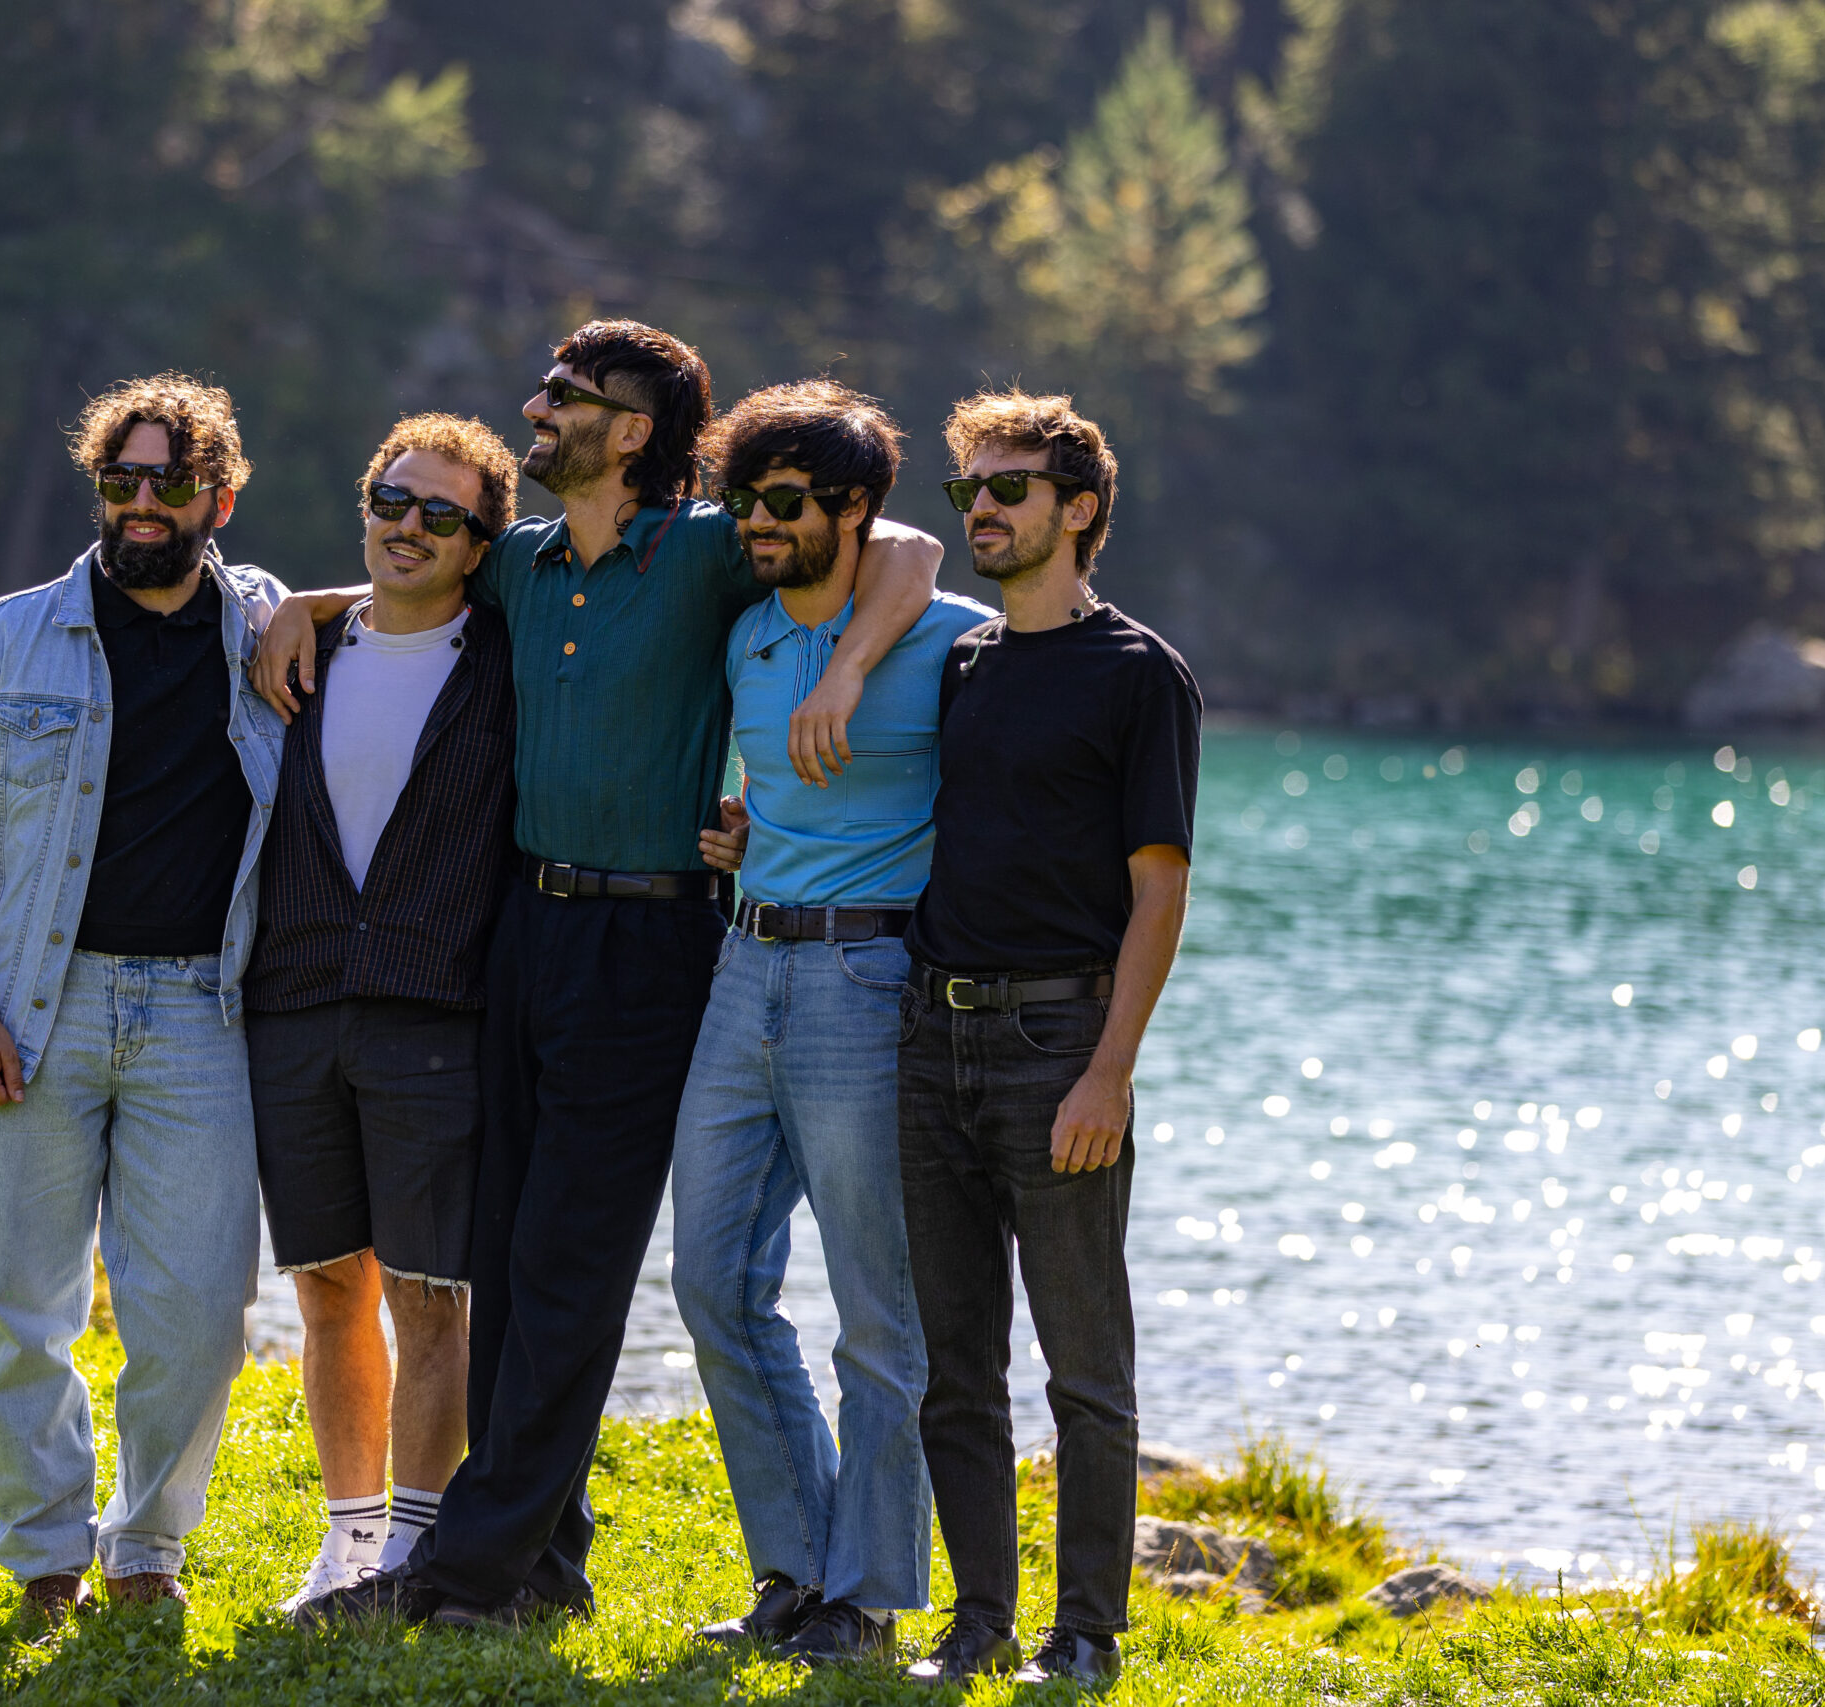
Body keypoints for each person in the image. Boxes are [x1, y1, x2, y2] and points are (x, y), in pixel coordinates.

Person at [261, 322, 944, 1628]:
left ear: (633, 431)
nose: (537, 407)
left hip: (651, 943)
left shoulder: (706, 549)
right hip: (523, 929)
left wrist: (851, 667)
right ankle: (545, 1566)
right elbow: (417, 573)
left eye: (564, 395)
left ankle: (464, 1573)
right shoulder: (520, 561)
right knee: (506, 1256)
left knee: (572, 1262)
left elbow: (907, 551)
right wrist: (308, 604)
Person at [0, 373, 285, 1629]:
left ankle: (145, 1540)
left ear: (218, 498)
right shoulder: (12, 636)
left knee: (201, 1317)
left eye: (169, 482)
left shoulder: (270, 630)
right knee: (24, 1307)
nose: (140, 503)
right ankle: (44, 1554)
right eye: (119, 479)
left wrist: (321, 606)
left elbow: (403, 606)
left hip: (203, 1013)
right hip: (39, 1003)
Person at [668, 381, 992, 1665]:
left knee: (876, 1311)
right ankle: (793, 1568)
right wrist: (743, 833)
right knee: (711, 1281)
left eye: (789, 501)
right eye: (745, 498)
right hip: (742, 967)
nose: (758, 522)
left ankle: (865, 1598)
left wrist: (856, 660)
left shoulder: (950, 638)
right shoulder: (747, 635)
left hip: (867, 982)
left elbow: (919, 551)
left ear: (853, 509)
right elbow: (776, 787)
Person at [896, 391, 1198, 1690]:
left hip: (1059, 1042)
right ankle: (979, 1623)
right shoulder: (964, 662)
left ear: (1078, 510)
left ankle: (1086, 1635)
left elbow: (1159, 890)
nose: (982, 508)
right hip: (931, 1036)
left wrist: (1107, 1073)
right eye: (969, 488)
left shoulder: (1140, 674)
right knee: (955, 1365)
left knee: (1085, 1370)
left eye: (1007, 487)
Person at [245, 415, 521, 1610]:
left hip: (434, 1016)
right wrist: (307, 606)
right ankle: (348, 1542)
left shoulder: (509, 660)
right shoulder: (298, 650)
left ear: (481, 544)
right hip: (295, 1003)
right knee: (324, 1285)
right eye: (391, 502)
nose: (410, 527)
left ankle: (414, 1546)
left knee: (428, 1294)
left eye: (441, 515)